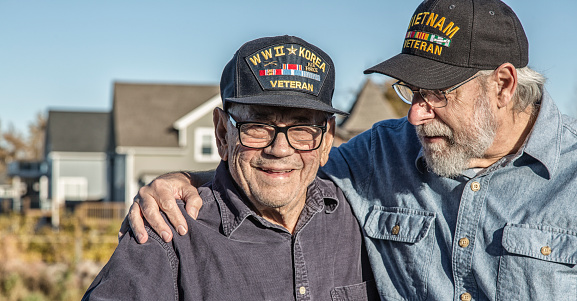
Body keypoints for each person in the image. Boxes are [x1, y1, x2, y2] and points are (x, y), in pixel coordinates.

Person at [126, 0, 577, 300]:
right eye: (410, 92)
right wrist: (185, 180)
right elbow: (286, 165)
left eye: (438, 94)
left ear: (502, 85)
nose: (416, 115)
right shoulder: (380, 153)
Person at [84, 35, 378, 301]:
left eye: (302, 127)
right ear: (223, 133)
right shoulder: (169, 235)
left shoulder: (363, 218)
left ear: (327, 139)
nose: (280, 149)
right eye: (258, 126)